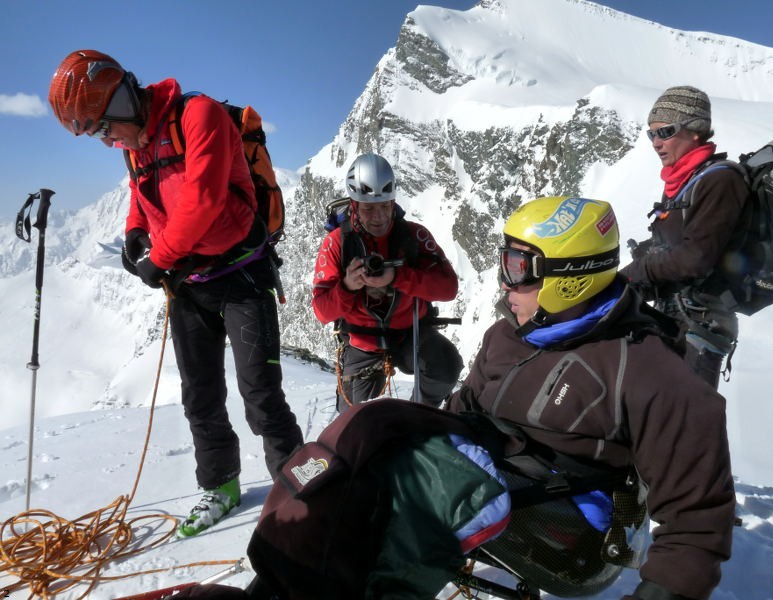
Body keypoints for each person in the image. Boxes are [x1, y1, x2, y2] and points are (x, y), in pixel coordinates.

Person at [47, 49, 303, 537]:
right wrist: (133, 238)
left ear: (120, 100)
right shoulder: (135, 144)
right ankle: (219, 485)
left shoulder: (199, 115)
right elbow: (141, 200)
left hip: (241, 276)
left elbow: (203, 200)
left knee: (261, 394)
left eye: (102, 128)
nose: (105, 141)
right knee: (200, 396)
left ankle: (301, 486)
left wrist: (158, 259)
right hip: (191, 284)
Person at [446, 196, 736, 600]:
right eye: (504, 263)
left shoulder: (648, 373)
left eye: (517, 268)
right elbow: (460, 412)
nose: (504, 282)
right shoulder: (507, 334)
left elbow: (697, 524)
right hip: (490, 493)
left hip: (566, 541)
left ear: (568, 277)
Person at [620, 85, 750, 389]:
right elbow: (678, 241)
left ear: (695, 130)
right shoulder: (684, 182)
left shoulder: (720, 180)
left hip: (701, 329)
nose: (655, 142)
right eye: (651, 134)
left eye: (665, 132)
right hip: (674, 317)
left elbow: (695, 258)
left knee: (685, 422)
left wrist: (639, 271)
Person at [312, 152, 464, 411]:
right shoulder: (337, 243)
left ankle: (420, 416)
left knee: (446, 365)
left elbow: (448, 287)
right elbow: (322, 310)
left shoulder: (414, 236)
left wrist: (398, 277)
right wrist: (348, 286)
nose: (379, 216)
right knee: (355, 423)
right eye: (369, 208)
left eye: (385, 206)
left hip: (410, 332)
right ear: (354, 205)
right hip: (363, 340)